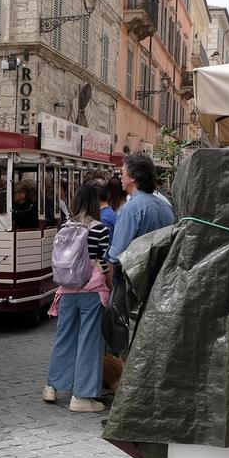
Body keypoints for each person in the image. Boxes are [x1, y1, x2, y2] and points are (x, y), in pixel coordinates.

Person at [43, 183, 112, 413]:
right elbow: (105, 261)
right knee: (89, 341)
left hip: (66, 290)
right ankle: (81, 396)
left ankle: (52, 386)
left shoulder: (65, 226)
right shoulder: (100, 229)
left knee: (64, 337)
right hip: (91, 291)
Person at [106, 154, 175, 265]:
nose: (120, 177)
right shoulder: (166, 206)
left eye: (122, 173)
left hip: (134, 276)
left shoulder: (131, 209)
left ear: (133, 177)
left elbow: (117, 254)